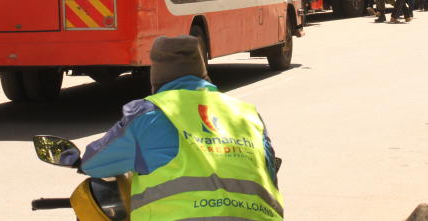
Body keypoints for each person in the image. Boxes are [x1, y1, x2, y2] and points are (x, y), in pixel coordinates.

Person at [79, 36, 284, 220]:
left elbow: (94, 163)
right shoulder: (247, 114)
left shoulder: (149, 113)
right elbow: (270, 172)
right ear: (202, 71)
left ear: (155, 76)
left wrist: (76, 160)